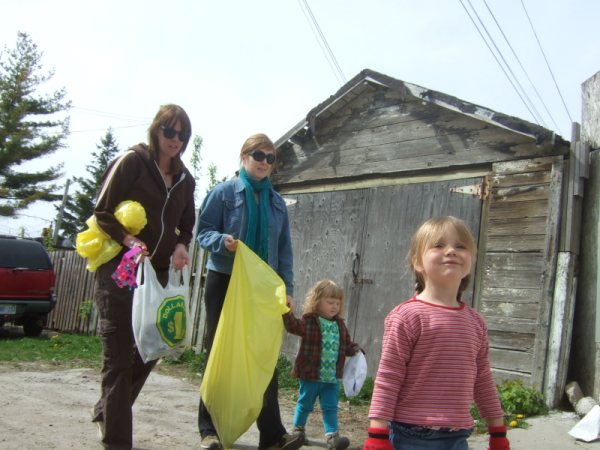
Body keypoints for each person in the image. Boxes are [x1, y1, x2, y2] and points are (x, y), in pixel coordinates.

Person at [90, 104, 196, 450]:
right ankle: (117, 440)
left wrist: (181, 244)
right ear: (156, 131)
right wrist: (129, 239)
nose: (175, 139)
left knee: (150, 350)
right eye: (170, 131)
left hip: (158, 275)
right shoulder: (132, 162)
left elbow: (188, 224)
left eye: (182, 134)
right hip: (121, 271)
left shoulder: (185, 179)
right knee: (119, 357)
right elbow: (102, 210)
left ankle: (110, 409)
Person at [363, 216, 510, 450]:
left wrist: (498, 431)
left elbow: (482, 380)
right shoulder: (407, 316)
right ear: (417, 262)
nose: (451, 251)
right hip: (412, 435)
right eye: (438, 245)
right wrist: (377, 433)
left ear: (470, 261)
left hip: (458, 436)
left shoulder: (476, 322)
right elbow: (388, 377)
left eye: (460, 246)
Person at [196, 133, 302, 450]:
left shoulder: (277, 203)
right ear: (244, 157)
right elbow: (202, 232)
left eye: (270, 158)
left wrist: (287, 289)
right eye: (259, 155)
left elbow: (284, 251)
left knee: (263, 355)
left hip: (262, 285)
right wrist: (222, 242)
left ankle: (272, 436)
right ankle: (209, 430)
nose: (265, 162)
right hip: (225, 279)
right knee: (218, 351)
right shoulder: (224, 192)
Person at [282, 279, 362, 450]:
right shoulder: (310, 321)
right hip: (310, 374)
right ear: (317, 302)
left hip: (332, 378)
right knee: (305, 403)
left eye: (338, 303)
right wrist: (287, 312)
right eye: (330, 302)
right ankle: (297, 432)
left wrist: (356, 350)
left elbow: (347, 344)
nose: (335, 306)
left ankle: (332, 437)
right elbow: (293, 326)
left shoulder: (340, 325)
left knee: (330, 407)